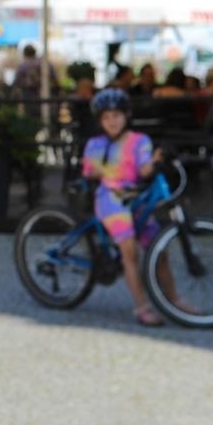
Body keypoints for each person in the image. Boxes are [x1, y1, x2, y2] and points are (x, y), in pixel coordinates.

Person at [81, 88, 183, 327]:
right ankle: (142, 307)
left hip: (134, 198)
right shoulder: (95, 144)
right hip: (110, 198)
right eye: (106, 117)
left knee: (159, 250)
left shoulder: (140, 141)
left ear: (127, 116)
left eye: (116, 115)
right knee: (130, 251)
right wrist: (107, 174)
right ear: (100, 121)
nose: (112, 122)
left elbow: (144, 169)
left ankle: (174, 299)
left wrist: (156, 159)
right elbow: (90, 172)